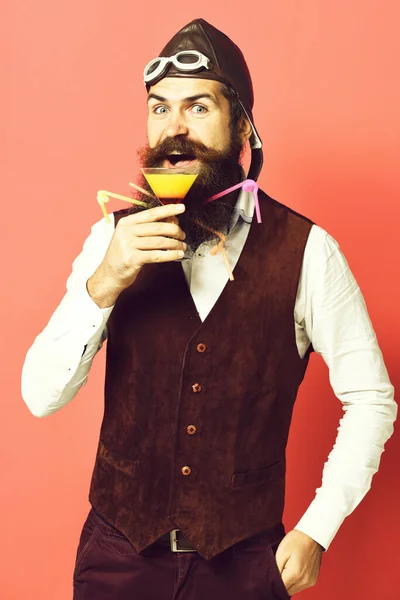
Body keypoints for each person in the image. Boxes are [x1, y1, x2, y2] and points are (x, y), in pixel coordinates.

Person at [22, 18, 396, 599]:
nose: (174, 130)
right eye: (159, 107)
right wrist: (103, 284)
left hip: (245, 567)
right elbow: (39, 397)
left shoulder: (307, 252)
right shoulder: (111, 241)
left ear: (242, 123)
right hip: (117, 560)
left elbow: (371, 398)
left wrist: (317, 529)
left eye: (198, 108)